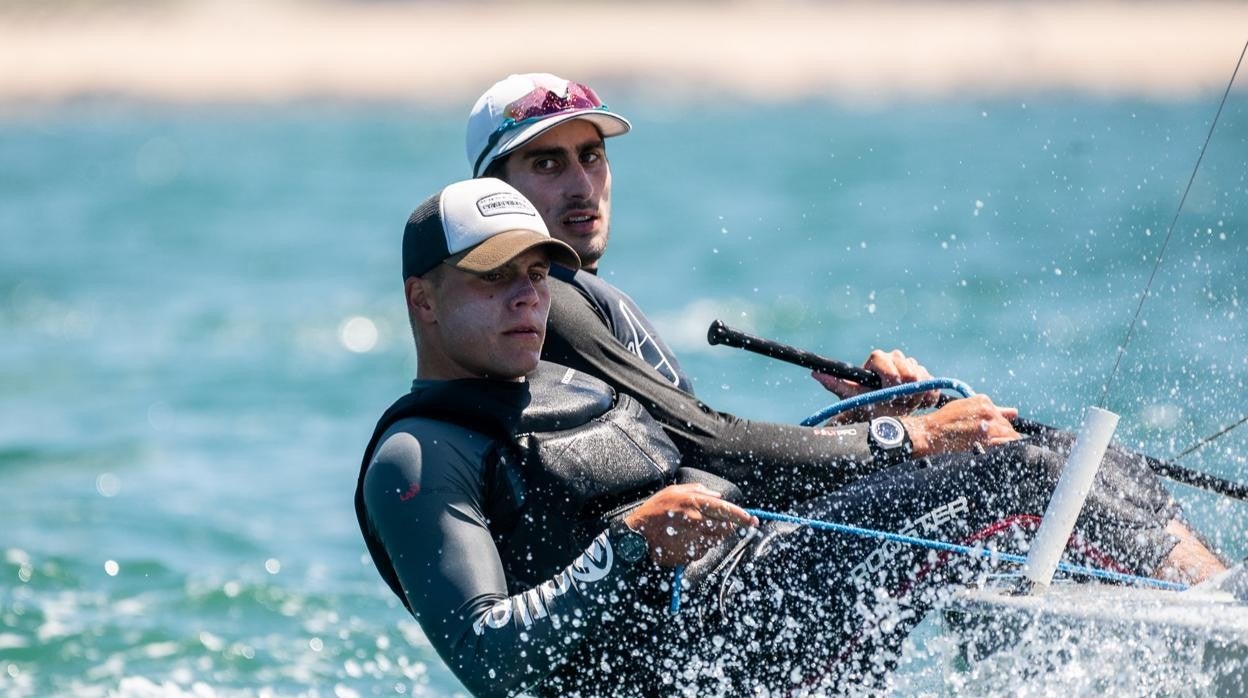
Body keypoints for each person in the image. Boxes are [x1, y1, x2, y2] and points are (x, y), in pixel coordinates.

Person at [356, 178, 1223, 697]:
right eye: (492, 278)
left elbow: (717, 469)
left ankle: (1220, 606)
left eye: (537, 273)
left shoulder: (569, 380)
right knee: (1019, 479)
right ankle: (1223, 630)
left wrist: (878, 425)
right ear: (421, 300)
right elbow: (492, 659)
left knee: (1051, 452)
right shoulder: (420, 457)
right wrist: (625, 550)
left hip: (766, 584)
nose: (526, 297)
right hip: (712, 660)